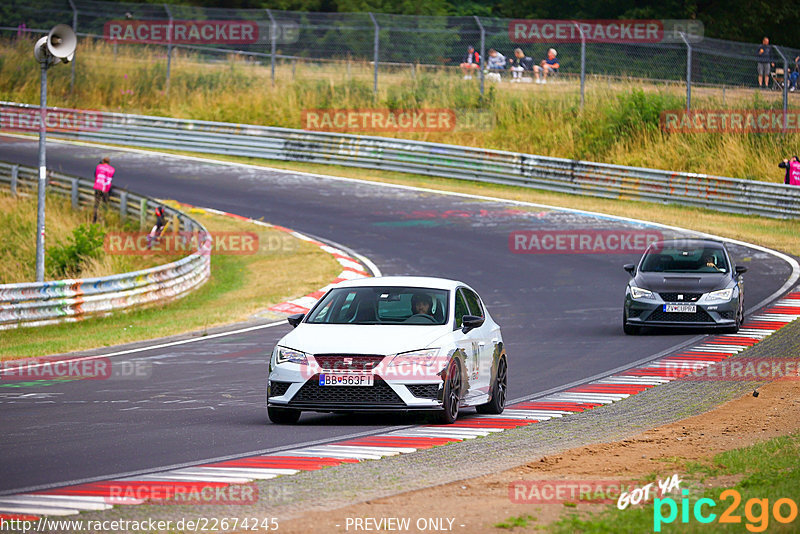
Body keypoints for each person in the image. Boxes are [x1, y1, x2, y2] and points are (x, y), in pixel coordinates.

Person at [92, 156, 115, 223]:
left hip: (98, 186)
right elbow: (111, 177)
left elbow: (95, 175)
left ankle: (94, 220)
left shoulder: (99, 167)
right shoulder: (112, 169)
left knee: (96, 204)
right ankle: (104, 220)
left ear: (103, 161)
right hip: (106, 189)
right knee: (105, 204)